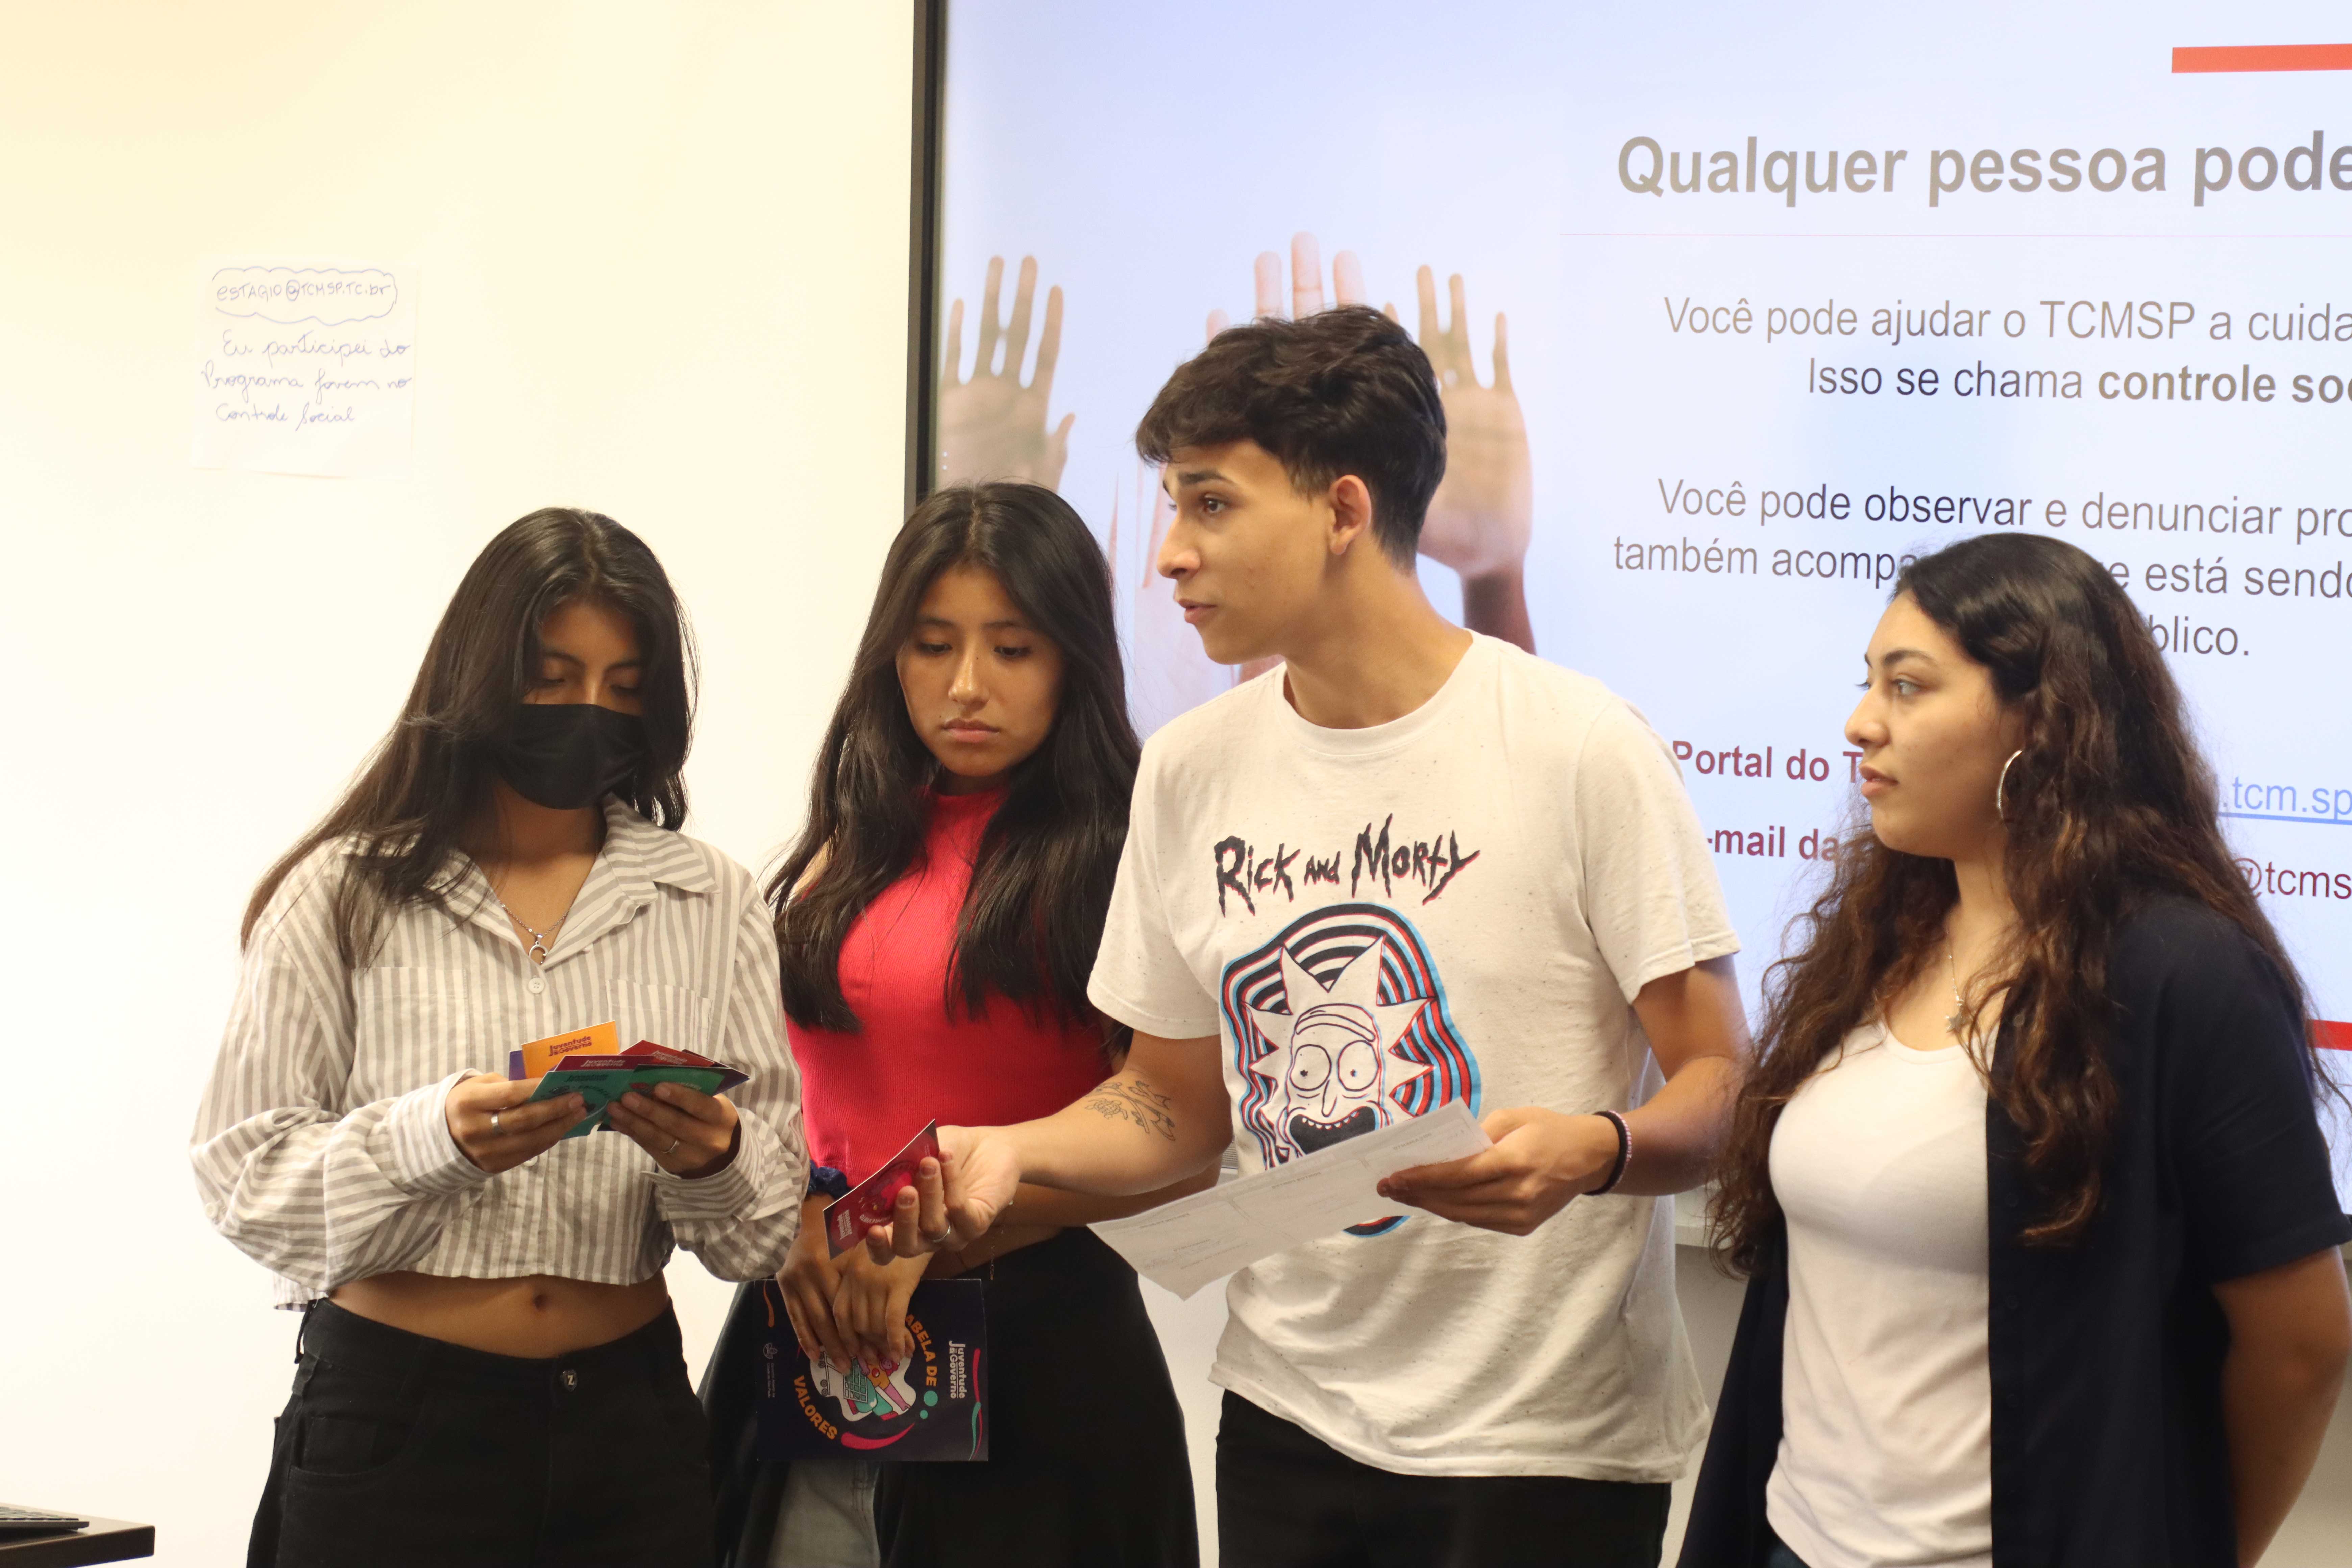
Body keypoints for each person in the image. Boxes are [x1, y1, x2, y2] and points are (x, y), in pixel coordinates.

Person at [876, 307, 1750, 1568]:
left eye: (1212, 505)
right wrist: (1011, 1150)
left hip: (1540, 1444)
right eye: (1171, 506)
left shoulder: (1580, 746)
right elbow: (1173, 1102)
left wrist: (1600, 1151)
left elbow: (1722, 1085)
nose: (1171, 554)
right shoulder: (1190, 767)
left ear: (1343, 510)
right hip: (1286, 1419)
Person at [1679, 534, 2352, 1568]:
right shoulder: (1879, 941)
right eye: (1868, 683)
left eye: (1908, 686)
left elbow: (2300, 1343)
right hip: (1793, 1538)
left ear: (2043, 721)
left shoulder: (2182, 973)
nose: (1861, 723)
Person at [191, 508, 807, 1568]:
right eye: (552, 678)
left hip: (631, 1429)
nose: (587, 711)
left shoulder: (712, 900)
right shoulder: (343, 891)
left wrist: (716, 1156)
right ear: (477, 678)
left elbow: (758, 1241)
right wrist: (432, 1138)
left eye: (623, 687)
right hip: (396, 1422)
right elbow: (242, 1181)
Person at [708, 482, 1204, 1568]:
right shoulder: (852, 831)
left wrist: (949, 1234)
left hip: (1036, 1353)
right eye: (932, 645)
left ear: (1073, 657)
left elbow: (1185, 1152)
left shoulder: (1127, 847)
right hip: (811, 1335)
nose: (967, 685)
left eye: (1013, 649)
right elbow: (788, 1088)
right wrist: (793, 1222)